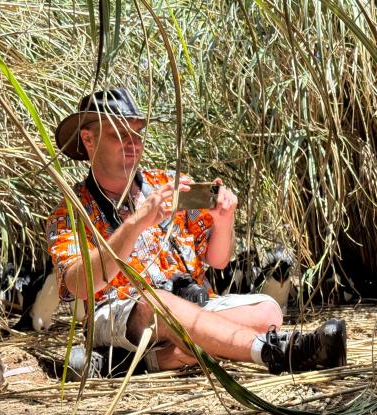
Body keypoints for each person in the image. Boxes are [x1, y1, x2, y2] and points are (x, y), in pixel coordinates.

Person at [47, 87, 347, 376]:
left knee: (268, 311)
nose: (133, 143)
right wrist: (135, 222)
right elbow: (79, 286)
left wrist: (223, 219)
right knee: (160, 304)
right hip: (122, 315)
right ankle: (277, 350)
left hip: (195, 306)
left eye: (137, 133)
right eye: (120, 134)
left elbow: (218, 261)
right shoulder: (70, 213)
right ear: (88, 139)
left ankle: (157, 359)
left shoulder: (171, 184)